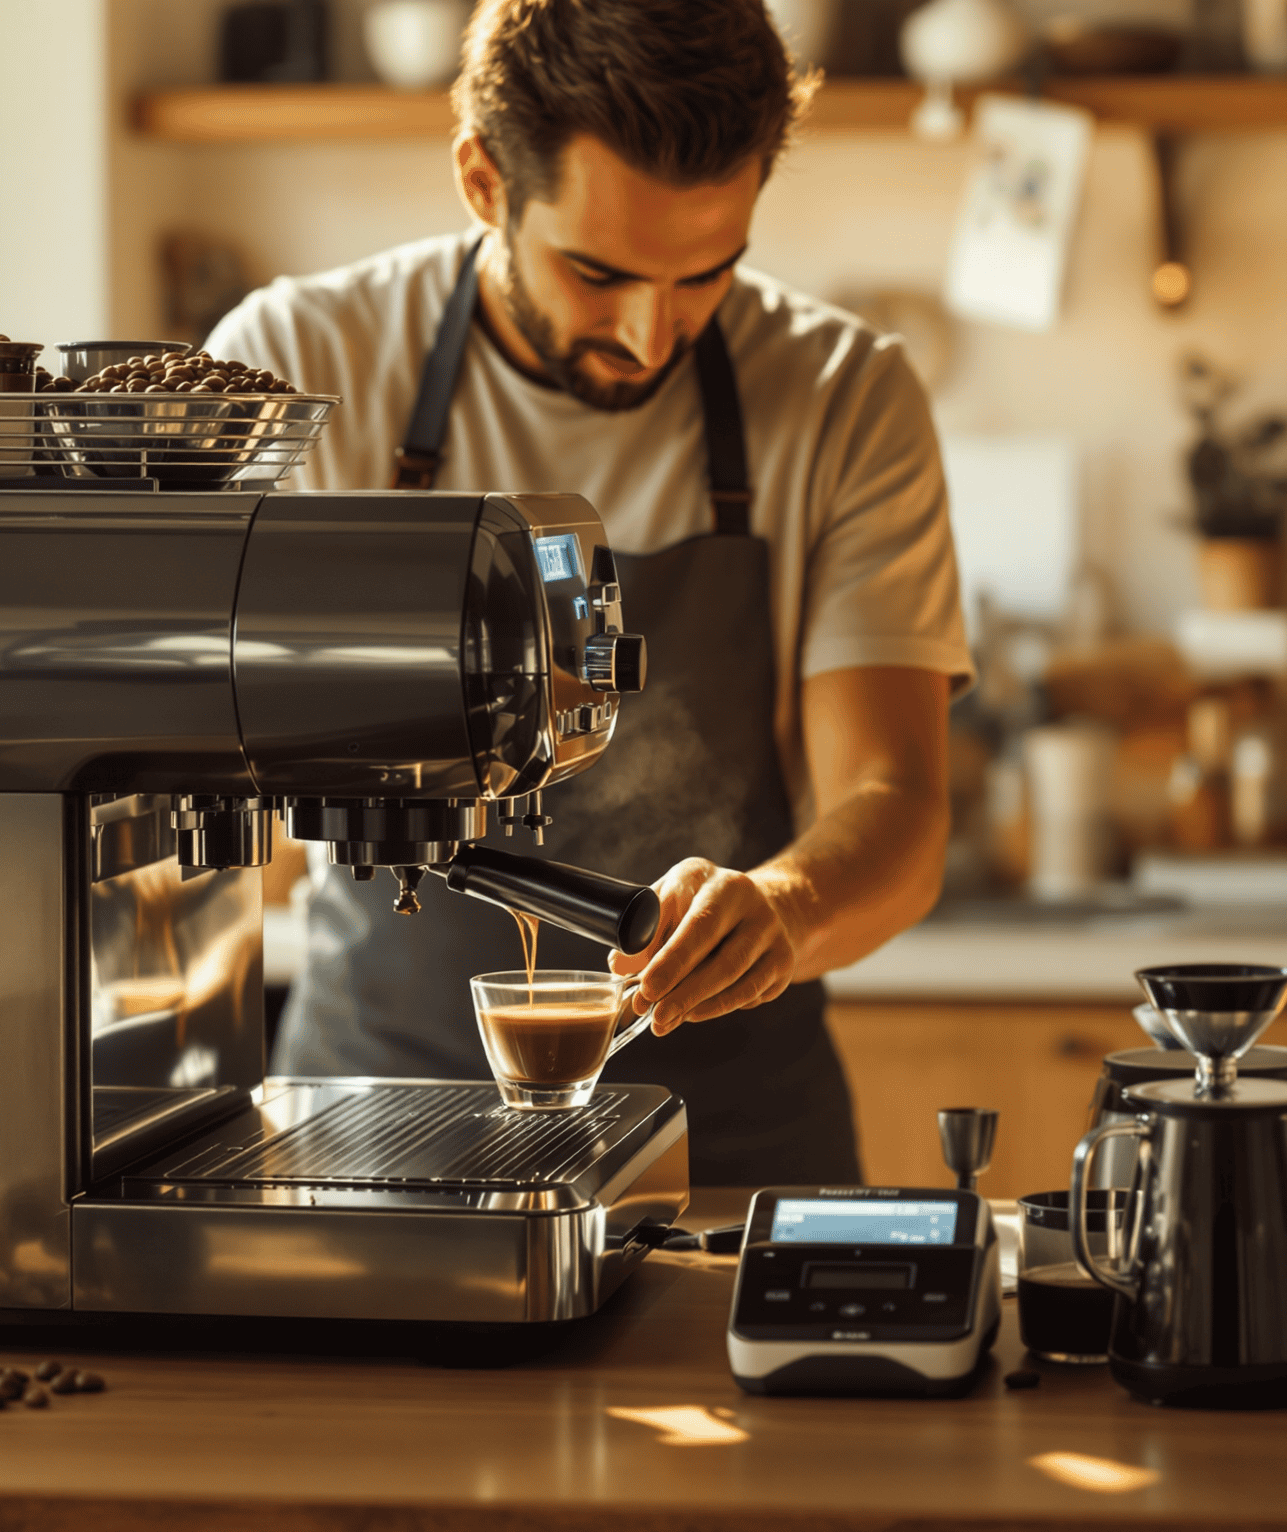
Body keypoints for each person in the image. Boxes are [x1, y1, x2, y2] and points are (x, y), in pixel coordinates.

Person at [207, 0, 968, 1186]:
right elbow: (206, 809)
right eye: (597, 271)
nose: (649, 335)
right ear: (480, 180)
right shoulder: (302, 366)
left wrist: (778, 909)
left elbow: (899, 802)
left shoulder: (841, 395)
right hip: (366, 1135)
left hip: (735, 1152)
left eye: (707, 273)